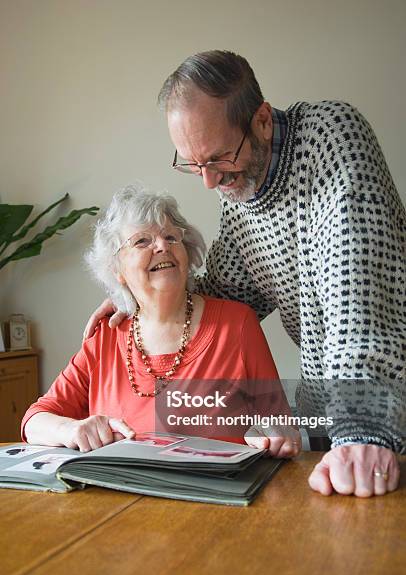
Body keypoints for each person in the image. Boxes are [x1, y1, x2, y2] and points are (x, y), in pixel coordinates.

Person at [85, 50, 405, 497]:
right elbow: (226, 289)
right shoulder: (240, 186)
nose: (209, 182)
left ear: (262, 121)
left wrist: (365, 432)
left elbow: (357, 298)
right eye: (192, 164)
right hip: (327, 422)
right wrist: (141, 301)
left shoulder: (332, 139)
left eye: (217, 159)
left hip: (382, 409)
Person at [22, 184, 300, 458]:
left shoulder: (237, 324)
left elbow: (280, 424)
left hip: (214, 498)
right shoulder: (105, 337)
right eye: (142, 241)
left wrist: (275, 435)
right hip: (120, 499)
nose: (161, 246)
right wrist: (72, 430)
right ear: (116, 269)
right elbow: (34, 421)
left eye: (171, 237)